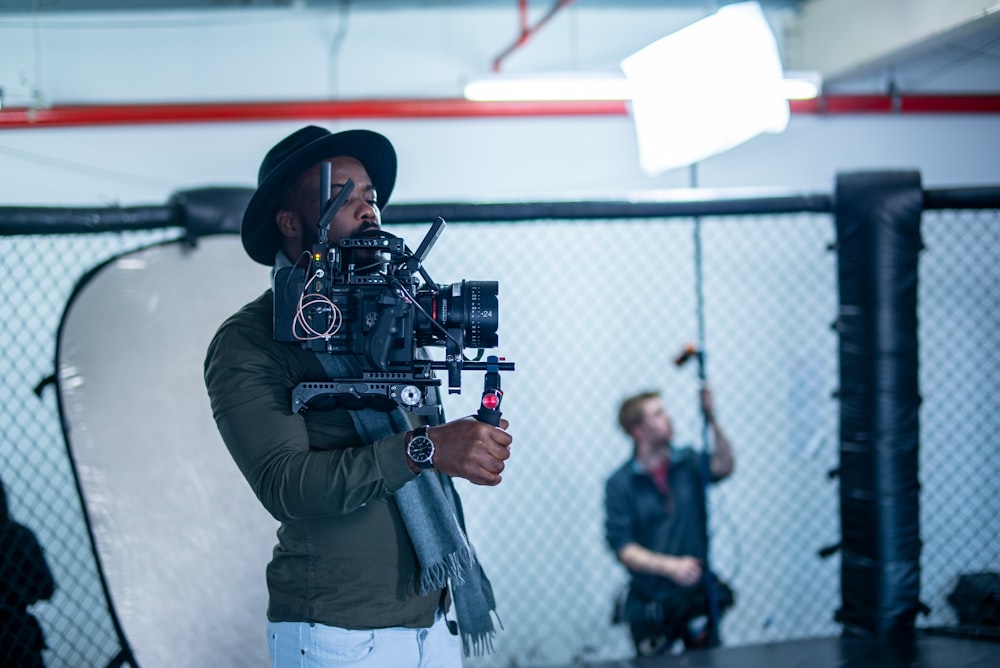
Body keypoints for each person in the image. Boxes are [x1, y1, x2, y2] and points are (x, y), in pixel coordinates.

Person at [204, 126, 513, 668]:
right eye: (341, 195)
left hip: (435, 621)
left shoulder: (391, 316)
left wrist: (463, 441)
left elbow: (422, 445)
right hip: (339, 633)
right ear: (289, 221)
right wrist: (426, 449)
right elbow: (286, 485)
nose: (367, 209)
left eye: (370, 197)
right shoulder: (249, 339)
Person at [604, 388, 735, 656]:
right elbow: (624, 548)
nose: (668, 417)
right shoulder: (620, 484)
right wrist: (671, 567)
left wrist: (711, 418)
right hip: (652, 601)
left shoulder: (687, 463)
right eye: (658, 413)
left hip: (696, 595)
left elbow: (724, 465)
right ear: (638, 430)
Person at [1, 477, 57, 668]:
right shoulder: (20, 536)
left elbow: (46, 588)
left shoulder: (19, 536)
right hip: (20, 632)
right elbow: (45, 588)